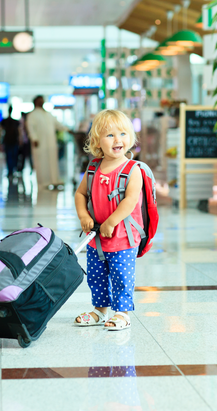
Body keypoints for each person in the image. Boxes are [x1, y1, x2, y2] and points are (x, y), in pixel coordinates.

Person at [73, 110, 143, 331]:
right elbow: (80, 194)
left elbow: (130, 200)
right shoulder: (93, 167)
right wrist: (84, 216)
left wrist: (112, 221)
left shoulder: (132, 170)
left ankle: (122, 313)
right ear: (97, 141)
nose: (118, 139)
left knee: (122, 276)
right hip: (97, 238)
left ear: (130, 138)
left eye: (123, 133)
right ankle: (100, 311)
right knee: (96, 276)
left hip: (122, 236)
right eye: (110, 135)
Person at [25, 95, 69, 189]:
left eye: (42, 100)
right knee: (41, 163)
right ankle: (43, 183)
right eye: (40, 100)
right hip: (40, 144)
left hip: (51, 143)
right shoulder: (32, 115)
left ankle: (54, 180)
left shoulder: (48, 114)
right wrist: (34, 139)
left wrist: (67, 129)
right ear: (35, 102)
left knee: (52, 162)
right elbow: (30, 128)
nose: (42, 102)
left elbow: (58, 124)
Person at [0, 106, 21, 177]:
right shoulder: (15, 121)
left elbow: (0, 131)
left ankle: (10, 171)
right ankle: (12, 170)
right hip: (13, 141)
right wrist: (20, 140)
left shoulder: (5, 121)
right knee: (13, 156)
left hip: (8, 141)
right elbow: (19, 132)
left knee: (9, 156)